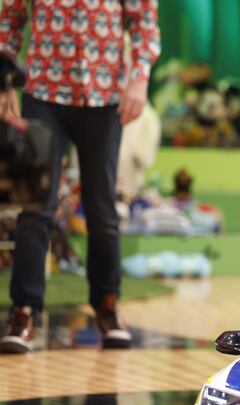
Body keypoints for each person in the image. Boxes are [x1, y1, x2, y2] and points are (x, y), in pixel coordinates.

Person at [0, 0, 161, 352]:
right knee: (34, 206)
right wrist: (3, 82)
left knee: (102, 210)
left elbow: (144, 22)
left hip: (105, 96)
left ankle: (106, 305)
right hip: (43, 93)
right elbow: (10, 18)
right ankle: (25, 311)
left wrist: (139, 80)